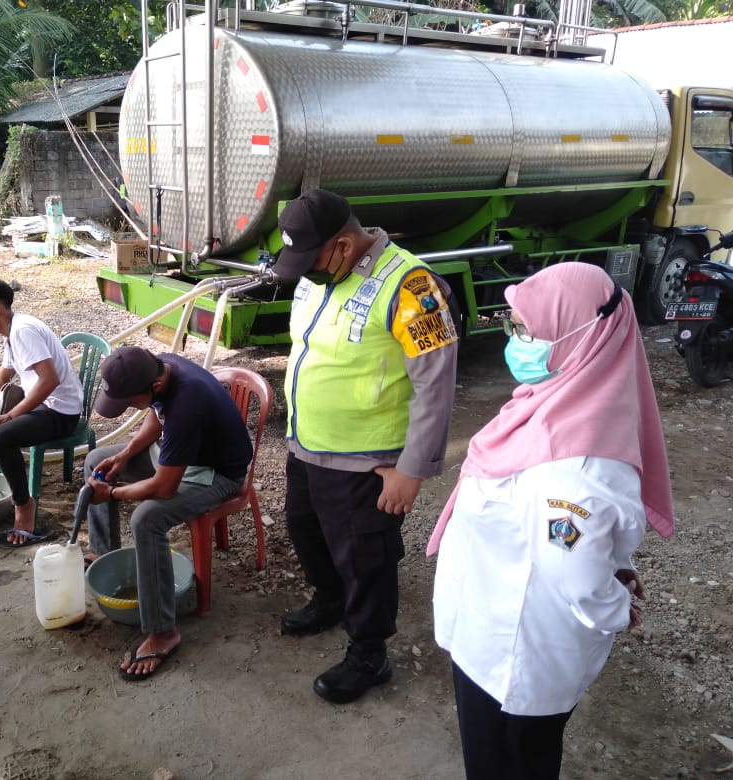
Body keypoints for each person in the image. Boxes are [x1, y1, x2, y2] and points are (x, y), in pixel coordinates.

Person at [427, 262, 674, 779]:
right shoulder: (552, 406)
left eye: (525, 330)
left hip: (517, 657)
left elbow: (576, 573)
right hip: (488, 632)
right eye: (511, 326)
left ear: (583, 335)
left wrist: (614, 608)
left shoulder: (579, 464)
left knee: (512, 765)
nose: (516, 342)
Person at [271, 188, 459, 704]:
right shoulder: (318, 276)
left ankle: (369, 653)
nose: (304, 271)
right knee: (306, 530)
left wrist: (412, 469)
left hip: (367, 461)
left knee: (365, 559)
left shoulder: (411, 286)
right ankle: (330, 601)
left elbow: (435, 382)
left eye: (311, 259)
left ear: (344, 244)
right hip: (308, 444)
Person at [83, 346, 253, 681]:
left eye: (129, 400)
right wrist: (126, 455)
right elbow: (155, 415)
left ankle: (163, 631)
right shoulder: (161, 366)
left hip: (216, 473)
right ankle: (103, 552)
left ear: (154, 386)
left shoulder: (188, 401)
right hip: (184, 455)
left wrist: (113, 493)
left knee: (146, 519)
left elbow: (163, 488)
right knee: (96, 462)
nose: (128, 406)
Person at [0, 278, 83, 546]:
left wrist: (8, 417)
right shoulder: (12, 331)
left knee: (1, 437)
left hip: (60, 412)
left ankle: (24, 505)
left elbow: (49, 380)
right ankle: (3, 460)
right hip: (42, 404)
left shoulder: (23, 331)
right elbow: (1, 376)